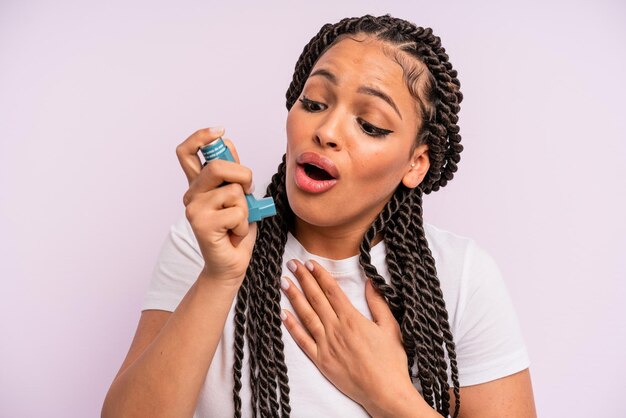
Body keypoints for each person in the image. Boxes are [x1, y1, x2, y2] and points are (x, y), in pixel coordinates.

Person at [102, 14, 537, 418]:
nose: (326, 131)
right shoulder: (206, 243)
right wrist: (220, 277)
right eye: (313, 102)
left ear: (415, 164)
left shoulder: (460, 276)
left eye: (370, 125)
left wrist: (389, 394)